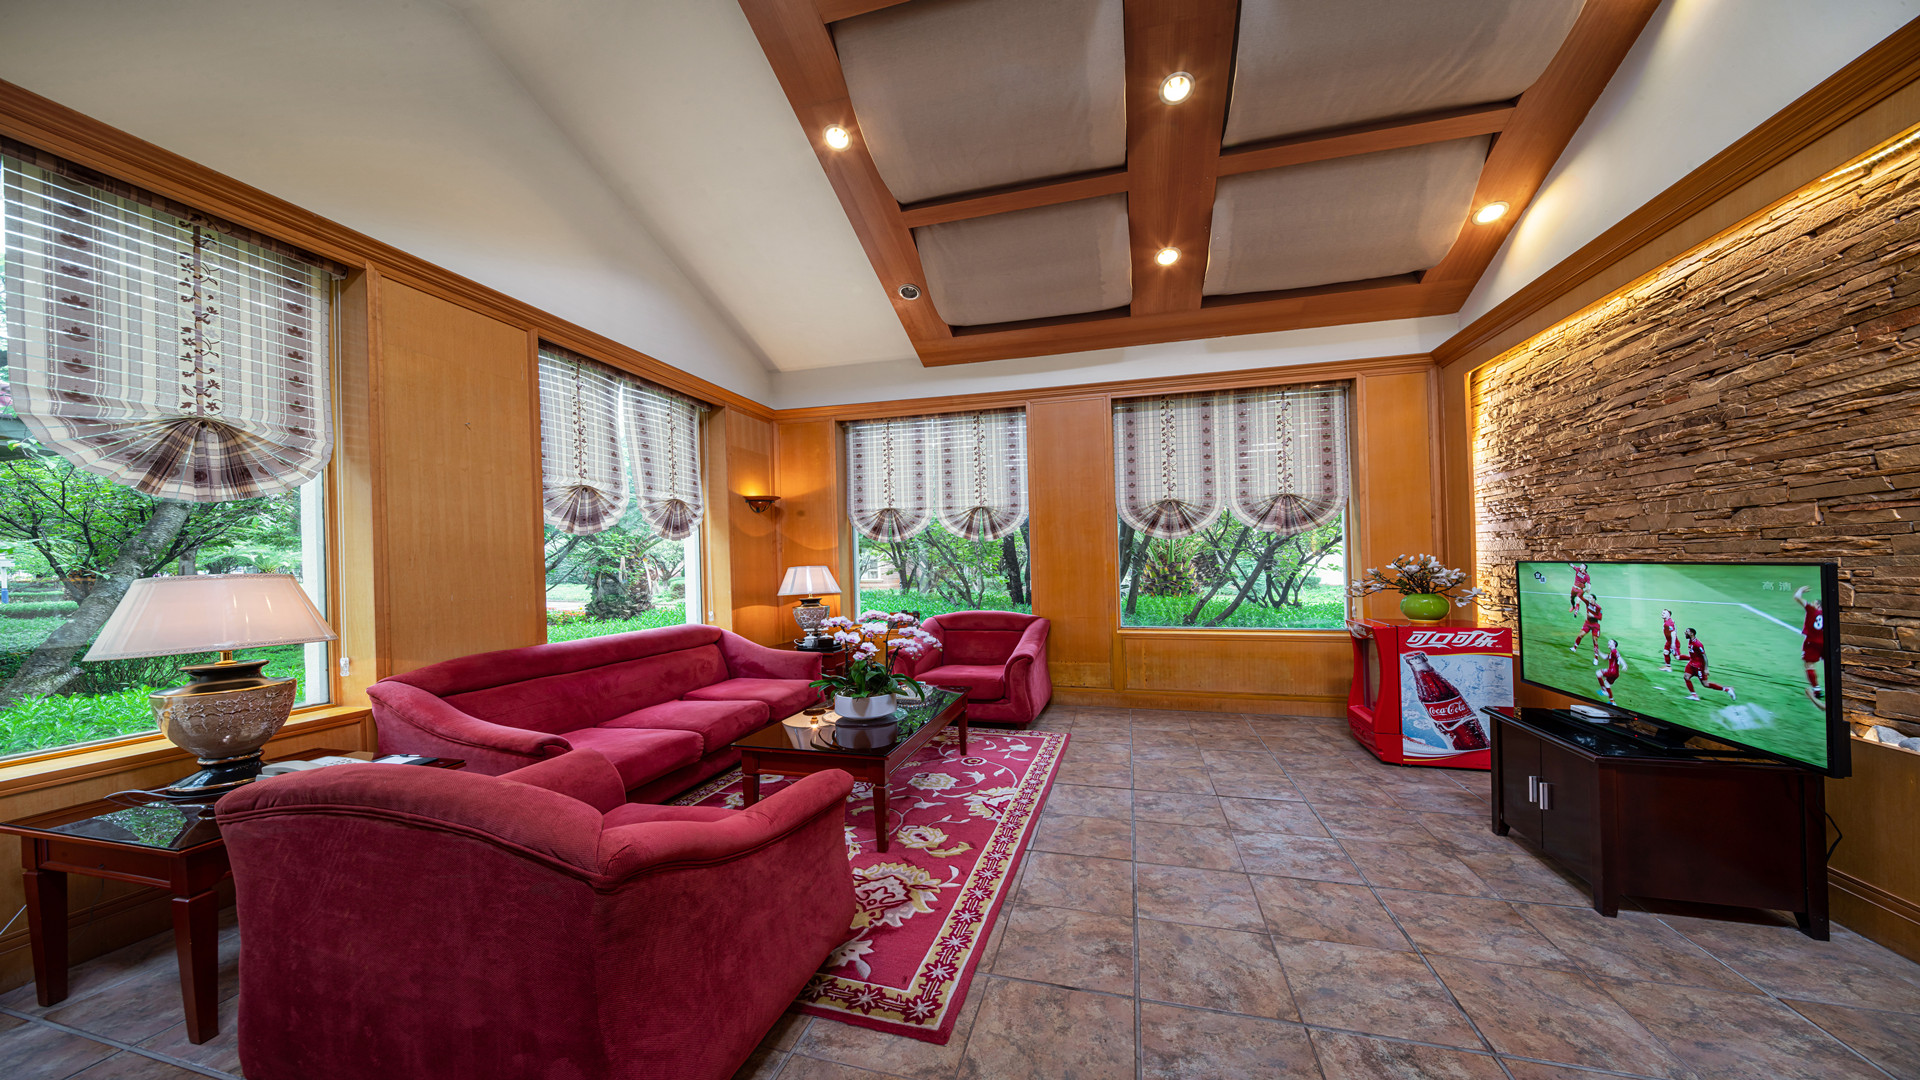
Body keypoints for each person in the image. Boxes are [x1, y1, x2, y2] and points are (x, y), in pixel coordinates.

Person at [1681, 628, 1735, 701]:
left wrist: (1706, 669)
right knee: (1686, 677)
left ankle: (1727, 689)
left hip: (1699, 666)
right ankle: (1694, 696)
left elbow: (1704, 656)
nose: (1685, 633)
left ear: (1692, 633)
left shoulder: (1698, 644)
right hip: (1691, 664)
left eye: (1687, 632)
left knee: (1705, 684)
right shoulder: (1690, 641)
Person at [1793, 585, 1825, 706]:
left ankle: (1817, 689)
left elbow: (1797, 597)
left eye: (1814, 603)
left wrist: (1801, 590)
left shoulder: (1812, 610)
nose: (1812, 603)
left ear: (1818, 605)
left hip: (1812, 642)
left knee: (1809, 665)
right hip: (1825, 642)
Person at [1571, 592, 1604, 664]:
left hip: (1595, 625)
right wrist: (1584, 590)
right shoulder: (1587, 603)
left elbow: (1600, 618)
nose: (1589, 599)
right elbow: (1580, 596)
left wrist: (1593, 616)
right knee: (1581, 634)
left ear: (1594, 599)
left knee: (1595, 640)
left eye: (1590, 598)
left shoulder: (1598, 608)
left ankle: (1596, 659)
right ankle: (1574, 648)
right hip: (1588, 623)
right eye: (1588, 598)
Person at [1596, 638, 1626, 703]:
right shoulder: (1612, 653)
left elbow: (1619, 658)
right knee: (1607, 684)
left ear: (1614, 644)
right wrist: (1598, 651)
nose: (1608, 643)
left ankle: (1604, 691)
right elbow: (1604, 657)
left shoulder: (1614, 651)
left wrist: (1624, 665)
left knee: (1598, 673)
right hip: (1616, 674)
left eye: (1610, 642)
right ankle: (1612, 702)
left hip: (1612, 671)